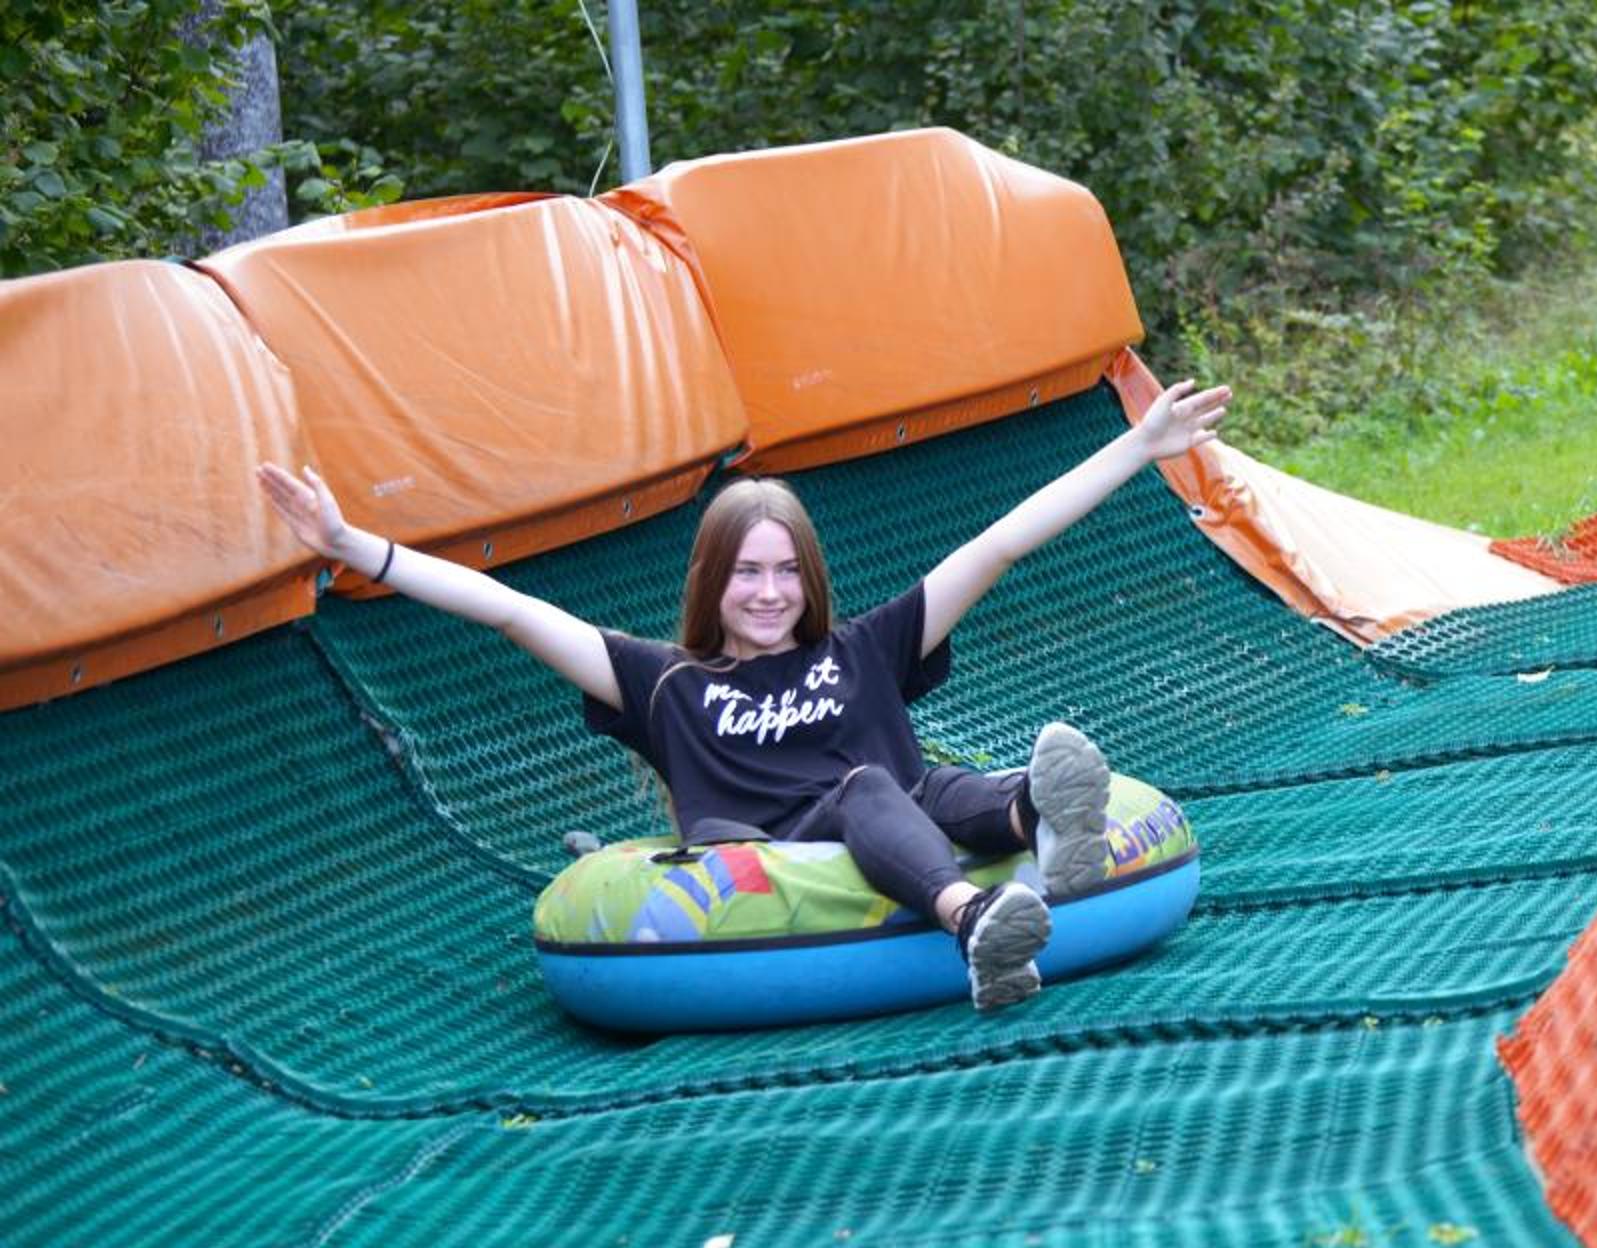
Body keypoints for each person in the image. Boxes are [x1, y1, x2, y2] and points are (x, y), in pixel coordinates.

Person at [255, 379, 1233, 1009]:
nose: (769, 594)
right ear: (711, 581)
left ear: (811, 577)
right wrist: (352, 547)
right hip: (792, 843)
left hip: (904, 808)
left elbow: (999, 545)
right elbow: (511, 611)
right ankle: (971, 920)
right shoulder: (663, 681)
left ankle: (1039, 817)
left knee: (936, 784)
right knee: (867, 788)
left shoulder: (864, 647)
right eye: (747, 573)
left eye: (787, 572)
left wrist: (1137, 444)